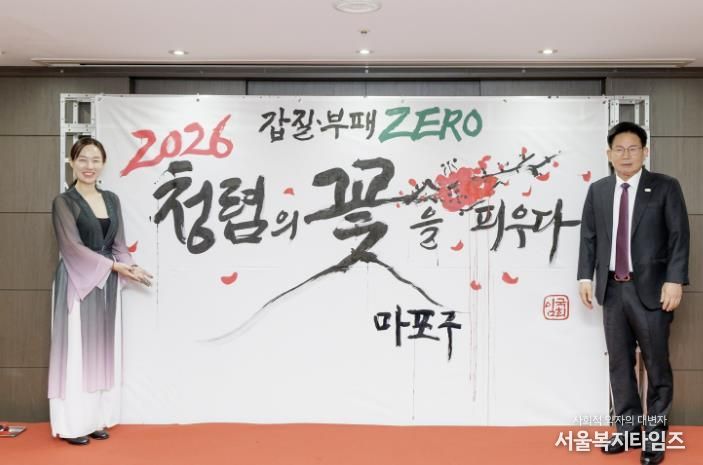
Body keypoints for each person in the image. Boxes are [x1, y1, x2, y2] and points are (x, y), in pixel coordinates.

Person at [577, 122, 689, 465]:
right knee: (619, 364)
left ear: (645, 151)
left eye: (633, 148)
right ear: (609, 154)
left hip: (653, 290)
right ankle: (627, 431)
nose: (626, 155)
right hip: (612, 290)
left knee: (657, 365)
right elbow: (589, 237)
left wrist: (674, 280)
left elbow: (679, 236)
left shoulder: (665, 187)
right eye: (619, 149)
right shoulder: (598, 190)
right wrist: (584, 277)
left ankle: (654, 437)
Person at [48, 137, 152, 445]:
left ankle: (93, 419)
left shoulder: (111, 199)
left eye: (95, 160)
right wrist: (115, 266)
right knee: (77, 350)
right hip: (77, 280)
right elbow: (71, 247)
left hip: (106, 282)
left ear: (103, 163)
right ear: (72, 162)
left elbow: (119, 244)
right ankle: (71, 424)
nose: (89, 166)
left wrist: (130, 266)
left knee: (101, 350)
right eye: (82, 159)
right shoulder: (64, 202)